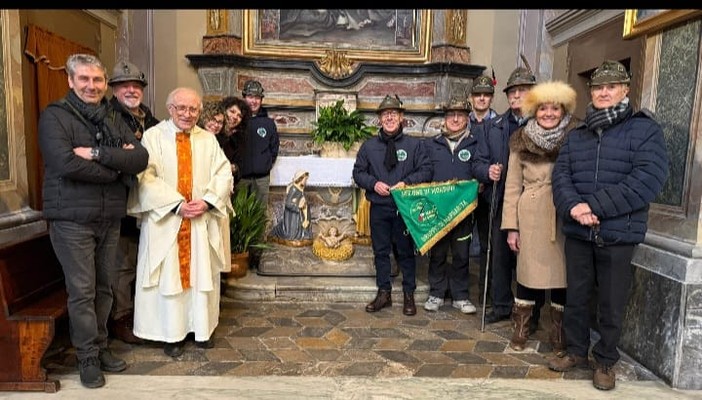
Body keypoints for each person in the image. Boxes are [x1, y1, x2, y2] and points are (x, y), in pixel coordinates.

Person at [548, 60, 669, 391]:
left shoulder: (645, 130)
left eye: (611, 87)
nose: (603, 92)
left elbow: (647, 180)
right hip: (578, 230)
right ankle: (575, 351)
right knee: (576, 295)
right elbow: (561, 177)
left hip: (618, 233)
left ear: (625, 90)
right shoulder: (577, 134)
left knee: (612, 302)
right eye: (598, 87)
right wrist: (574, 207)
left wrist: (594, 206)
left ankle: (604, 361)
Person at [38, 53, 149, 388]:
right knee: (83, 290)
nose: (91, 86)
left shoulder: (111, 116)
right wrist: (116, 169)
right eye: (84, 79)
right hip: (71, 218)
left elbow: (140, 158)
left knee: (105, 287)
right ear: (71, 81)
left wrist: (100, 155)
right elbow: (65, 164)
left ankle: (100, 349)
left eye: (97, 80)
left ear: (104, 83)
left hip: (108, 216)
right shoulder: (55, 117)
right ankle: (86, 358)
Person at [127, 87, 233, 358]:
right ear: (170, 108)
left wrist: (207, 201)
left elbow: (223, 174)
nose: (188, 114)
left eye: (193, 109)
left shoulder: (208, 139)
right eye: (181, 108)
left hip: (198, 222)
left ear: (200, 111)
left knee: (200, 276)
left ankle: (201, 330)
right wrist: (175, 204)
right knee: (169, 278)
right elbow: (144, 177)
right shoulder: (153, 137)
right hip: (167, 221)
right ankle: (171, 335)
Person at [501, 80, 578, 354]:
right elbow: (511, 186)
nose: (548, 114)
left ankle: (558, 332)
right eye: (543, 108)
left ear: (563, 111)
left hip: (562, 214)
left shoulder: (575, 137)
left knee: (562, 276)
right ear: (534, 111)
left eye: (554, 109)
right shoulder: (520, 140)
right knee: (527, 272)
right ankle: (521, 327)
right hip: (531, 214)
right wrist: (512, 228)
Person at [352, 94, 431, 316]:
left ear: (401, 117)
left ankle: (408, 294)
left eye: (393, 114)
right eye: (385, 114)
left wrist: (406, 183)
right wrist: (373, 183)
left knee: (406, 252)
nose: (389, 118)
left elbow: (426, 170)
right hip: (379, 207)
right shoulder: (368, 147)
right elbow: (358, 173)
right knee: (381, 252)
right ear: (379, 119)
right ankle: (384, 293)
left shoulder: (414, 145)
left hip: (404, 208)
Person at [473, 59, 537, 325]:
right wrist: (488, 171)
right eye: (512, 92)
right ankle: (501, 305)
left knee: (529, 258)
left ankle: (531, 313)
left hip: (532, 203)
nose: (516, 96)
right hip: (500, 200)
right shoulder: (493, 126)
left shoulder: (541, 123)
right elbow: (477, 162)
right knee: (499, 256)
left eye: (521, 91)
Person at [107, 60, 160, 346]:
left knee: (147, 260)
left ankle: (145, 314)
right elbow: (116, 158)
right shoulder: (108, 118)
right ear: (114, 89)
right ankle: (122, 317)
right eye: (124, 85)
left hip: (151, 203)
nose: (131, 90)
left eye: (136, 85)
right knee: (124, 263)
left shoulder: (151, 120)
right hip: (123, 201)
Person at [423, 96, 479, 315]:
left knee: (462, 253)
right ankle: (436, 293)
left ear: (467, 118)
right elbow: (425, 172)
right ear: (444, 119)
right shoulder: (432, 144)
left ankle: (460, 295)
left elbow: (479, 168)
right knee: (437, 253)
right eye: (451, 115)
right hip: (437, 210)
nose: (455, 119)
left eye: (461, 115)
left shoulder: (475, 143)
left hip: (463, 210)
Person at [468, 74, 499, 304]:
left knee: (488, 244)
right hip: (463, 191)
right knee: (457, 242)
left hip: (487, 193)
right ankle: (455, 288)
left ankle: (485, 292)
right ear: (470, 98)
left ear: (491, 98)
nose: (481, 98)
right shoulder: (460, 121)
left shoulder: (499, 124)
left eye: (485, 95)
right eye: (477, 94)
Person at [239, 80, 279, 208]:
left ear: (261, 100)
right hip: (241, 179)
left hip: (262, 179)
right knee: (238, 216)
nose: (253, 101)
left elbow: (274, 148)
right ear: (244, 98)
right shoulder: (237, 120)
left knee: (260, 216)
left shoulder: (268, 123)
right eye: (250, 97)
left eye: (257, 97)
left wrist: (265, 163)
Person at [217, 96, 251, 187]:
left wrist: (234, 168)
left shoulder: (240, 138)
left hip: (228, 184)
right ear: (224, 110)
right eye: (232, 111)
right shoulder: (213, 130)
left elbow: (240, 164)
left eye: (239, 116)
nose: (235, 117)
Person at [270, 170, 312, 242]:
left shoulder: (300, 188)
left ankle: (304, 234)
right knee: (290, 235)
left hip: (298, 214)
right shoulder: (293, 189)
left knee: (304, 224)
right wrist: (298, 206)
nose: (306, 182)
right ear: (300, 179)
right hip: (291, 215)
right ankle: (278, 231)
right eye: (305, 179)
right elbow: (288, 204)